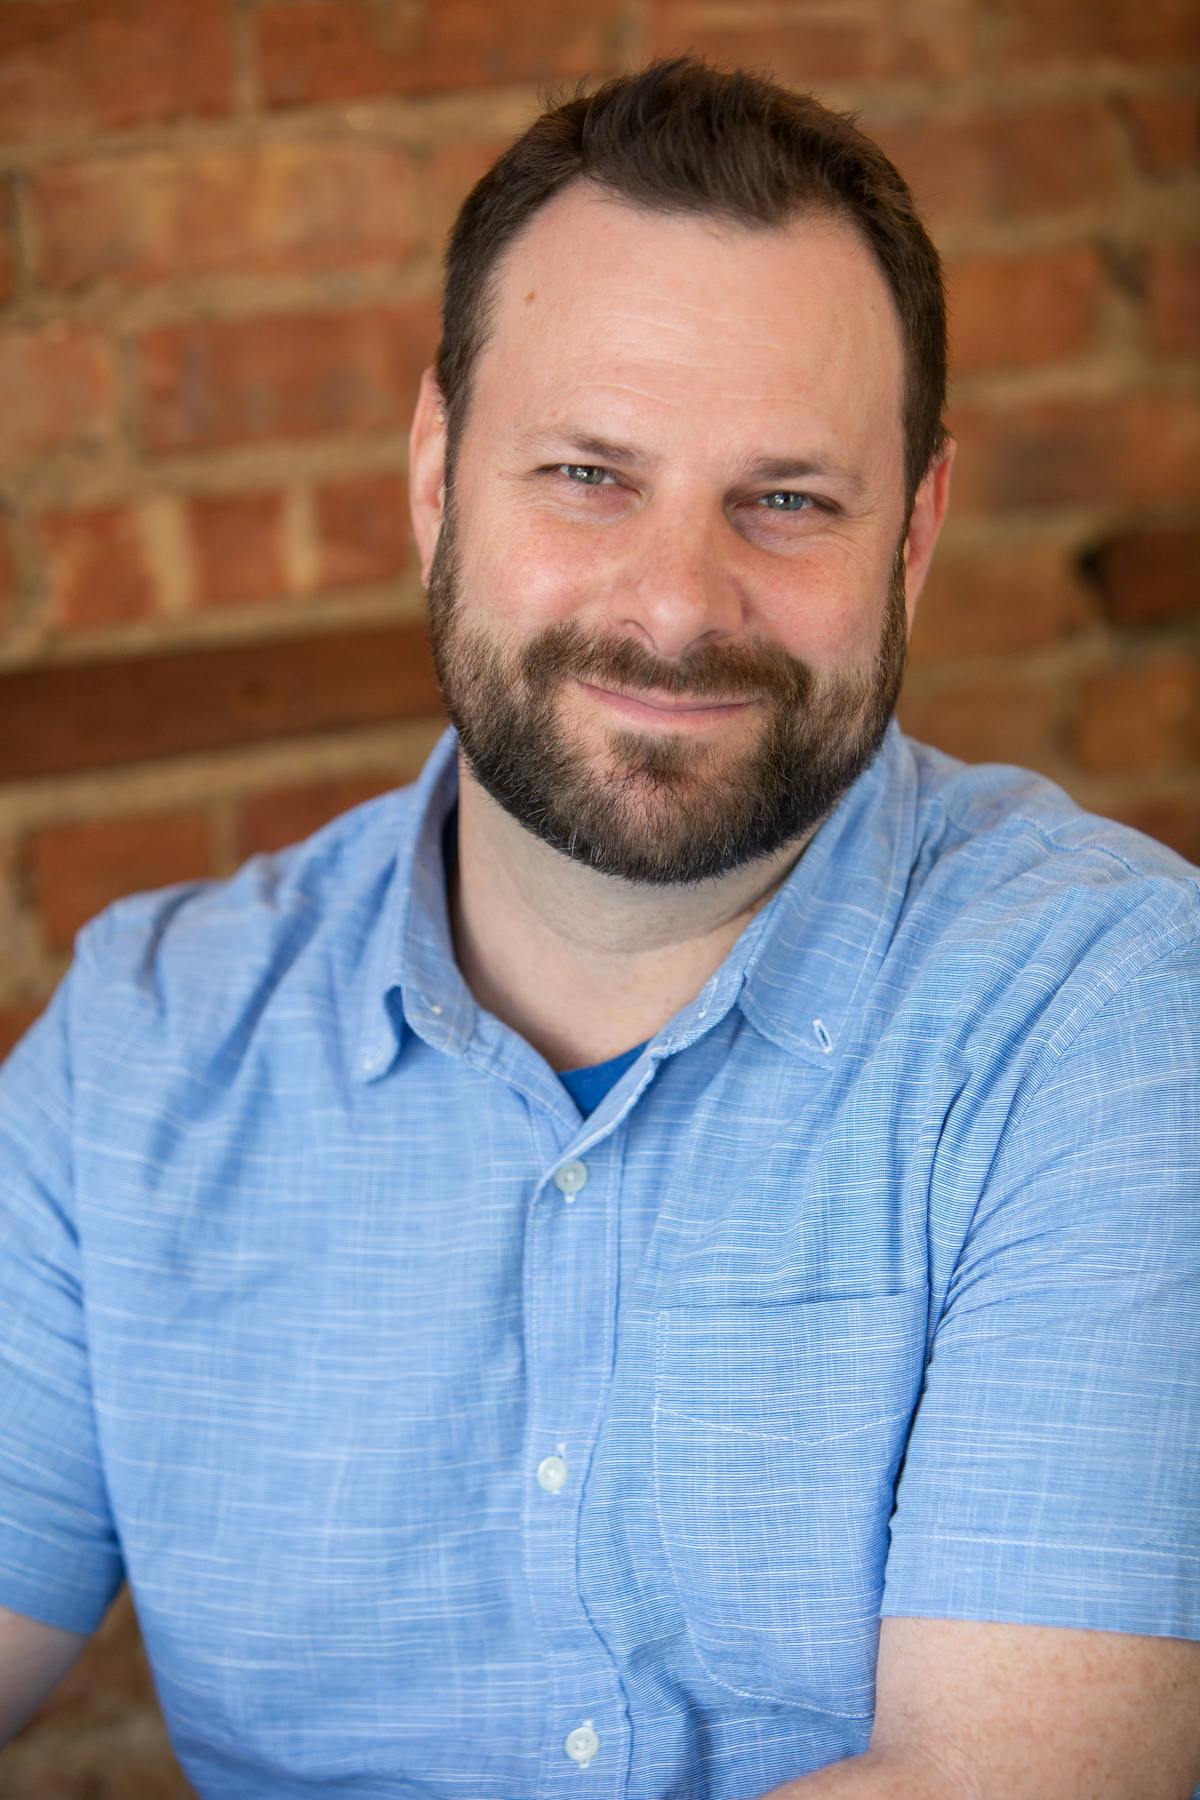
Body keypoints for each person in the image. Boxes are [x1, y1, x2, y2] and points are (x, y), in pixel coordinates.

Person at [0, 56, 1197, 1800]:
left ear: (916, 537)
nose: (674, 607)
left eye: (786, 499)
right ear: (435, 471)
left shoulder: (1104, 1012)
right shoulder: (143, 1047)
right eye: (586, 473)